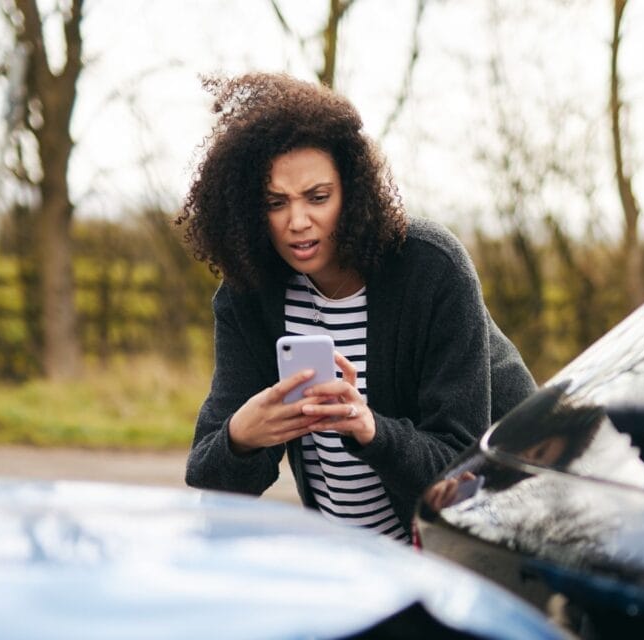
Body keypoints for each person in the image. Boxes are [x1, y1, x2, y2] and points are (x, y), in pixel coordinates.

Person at [176, 72, 536, 542]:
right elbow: (208, 476)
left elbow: (460, 472)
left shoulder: (431, 269)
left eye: (317, 197)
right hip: (359, 560)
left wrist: (370, 429)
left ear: (353, 191)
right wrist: (242, 437)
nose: (298, 222)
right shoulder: (249, 294)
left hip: (497, 535)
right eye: (275, 202)